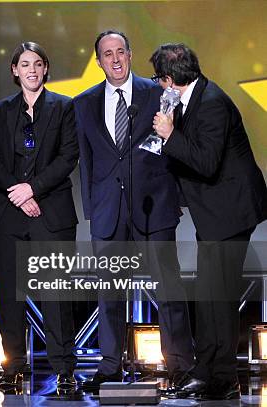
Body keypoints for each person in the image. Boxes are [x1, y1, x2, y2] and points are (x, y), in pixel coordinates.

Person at [73, 31, 194, 390]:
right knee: (110, 294)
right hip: (109, 211)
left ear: (130, 54)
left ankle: (180, 366)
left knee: (168, 290)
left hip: (154, 206)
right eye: (107, 54)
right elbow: (87, 161)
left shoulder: (158, 93)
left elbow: (173, 146)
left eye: (120, 52)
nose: (115, 59)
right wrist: (95, 210)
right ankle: (110, 365)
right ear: (98, 61)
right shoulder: (84, 103)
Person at [151, 43, 267, 400]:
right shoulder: (192, 96)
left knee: (219, 296)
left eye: (158, 78)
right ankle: (210, 373)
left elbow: (205, 162)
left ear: (169, 79)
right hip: (214, 211)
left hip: (231, 211)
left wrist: (170, 135)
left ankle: (222, 378)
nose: (158, 85)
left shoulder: (212, 102)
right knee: (210, 295)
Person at [0, 42, 79, 389]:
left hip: (50, 212)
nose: (32, 70)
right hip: (8, 214)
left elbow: (68, 156)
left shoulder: (65, 107)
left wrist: (32, 189)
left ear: (46, 69)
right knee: (11, 296)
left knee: (55, 294)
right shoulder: (0, 110)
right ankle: (14, 366)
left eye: (38, 64)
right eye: (25, 64)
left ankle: (64, 368)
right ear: (15, 71)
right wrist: (18, 192)